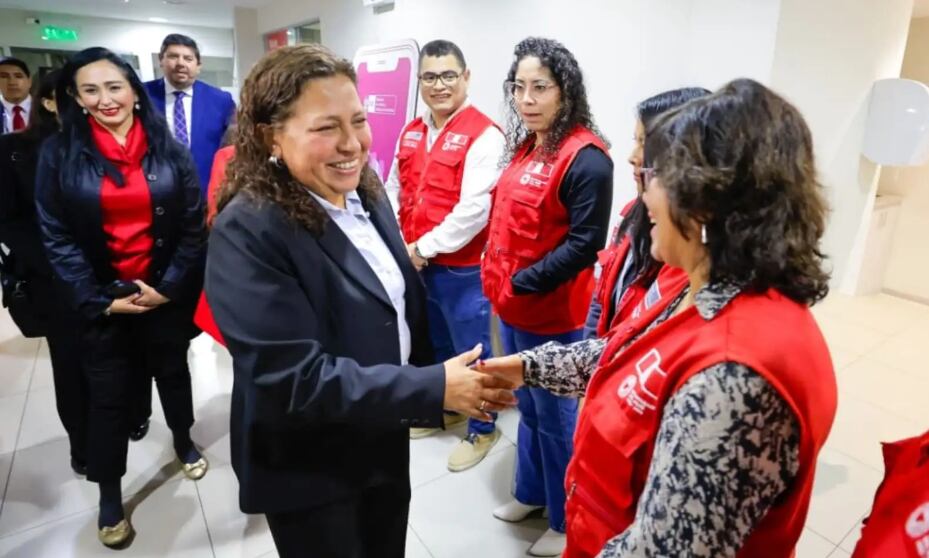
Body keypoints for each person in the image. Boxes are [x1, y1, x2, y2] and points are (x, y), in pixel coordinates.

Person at [478, 78, 838, 557]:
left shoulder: (734, 376)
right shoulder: (701, 286)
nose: (645, 196)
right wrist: (528, 367)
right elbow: (628, 351)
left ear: (707, 201)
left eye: (657, 176)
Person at [204, 44, 516, 558]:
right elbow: (293, 379)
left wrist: (436, 376)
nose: (352, 144)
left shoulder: (363, 191)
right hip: (310, 463)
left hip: (377, 431)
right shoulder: (248, 230)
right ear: (270, 136)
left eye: (358, 120)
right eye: (326, 127)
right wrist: (433, 386)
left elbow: (391, 303)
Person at [35, 47, 208, 548]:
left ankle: (183, 440)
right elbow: (56, 236)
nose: (105, 99)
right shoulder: (59, 152)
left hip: (162, 292)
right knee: (107, 397)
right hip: (103, 301)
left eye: (114, 87)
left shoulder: (167, 147)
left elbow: (192, 225)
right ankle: (110, 494)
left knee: (172, 373)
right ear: (75, 98)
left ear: (134, 90)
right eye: (90, 90)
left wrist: (168, 287)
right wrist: (97, 299)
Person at [480, 36, 613, 557]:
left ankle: (565, 520)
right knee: (529, 410)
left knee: (557, 420)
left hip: (552, 313)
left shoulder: (587, 159)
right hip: (512, 308)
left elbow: (585, 244)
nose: (527, 99)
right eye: (519, 87)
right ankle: (531, 494)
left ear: (565, 91)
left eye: (540, 87)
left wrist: (523, 283)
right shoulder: (528, 145)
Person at [385, 39, 506, 471]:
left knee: (472, 352)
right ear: (420, 81)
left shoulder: (484, 134)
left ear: (466, 77)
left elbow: (475, 210)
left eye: (448, 75)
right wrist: (401, 242)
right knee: (436, 344)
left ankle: (483, 428)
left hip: (462, 271)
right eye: (430, 77)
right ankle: (451, 407)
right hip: (417, 264)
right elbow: (394, 188)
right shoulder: (411, 130)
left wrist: (421, 248)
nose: (439, 85)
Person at [0, 69, 88, 476]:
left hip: (104, 276)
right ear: (48, 101)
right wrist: (58, 263)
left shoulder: (97, 147)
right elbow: (9, 222)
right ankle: (81, 444)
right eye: (75, 94)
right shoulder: (13, 149)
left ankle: (122, 422)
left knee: (113, 359)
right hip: (51, 279)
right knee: (69, 365)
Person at [582, 87, 709, 340]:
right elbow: (602, 295)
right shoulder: (631, 212)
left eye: (644, 143)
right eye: (636, 141)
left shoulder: (688, 249)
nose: (633, 157)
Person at [144, 33, 235, 194]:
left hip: (206, 189)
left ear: (198, 65)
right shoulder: (142, 95)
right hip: (155, 189)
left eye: (188, 58)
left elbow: (232, 146)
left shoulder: (221, 100)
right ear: (161, 60)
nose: (180, 63)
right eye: (173, 56)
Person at [0, 57, 32, 134]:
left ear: (29, 81)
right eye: (4, 76)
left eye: (18, 76)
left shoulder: (49, 108)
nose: (12, 82)